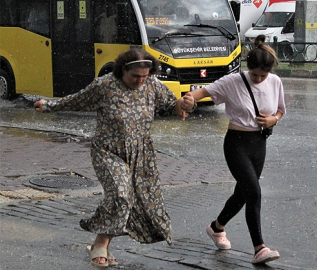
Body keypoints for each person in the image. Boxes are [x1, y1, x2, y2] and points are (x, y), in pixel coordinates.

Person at [34, 48, 196, 267]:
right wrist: (49, 105)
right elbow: (77, 100)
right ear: (122, 71)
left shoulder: (153, 85)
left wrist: (184, 104)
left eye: (144, 76)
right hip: (107, 151)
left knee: (138, 202)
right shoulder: (105, 86)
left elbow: (170, 106)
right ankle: (100, 243)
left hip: (141, 154)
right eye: (135, 76)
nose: (140, 81)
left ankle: (102, 243)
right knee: (121, 194)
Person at [181, 34, 286, 264]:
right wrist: (189, 100)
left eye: (263, 75)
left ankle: (217, 227)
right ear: (249, 69)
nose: (259, 79)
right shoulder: (233, 81)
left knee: (243, 193)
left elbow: (280, 111)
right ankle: (259, 248)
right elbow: (201, 93)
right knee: (254, 192)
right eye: (255, 75)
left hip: (260, 143)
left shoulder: (275, 82)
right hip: (236, 143)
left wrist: (272, 120)